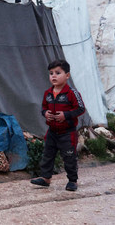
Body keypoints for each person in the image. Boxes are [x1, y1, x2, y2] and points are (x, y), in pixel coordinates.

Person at [31, 59, 85, 191]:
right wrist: (45, 113)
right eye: (51, 73)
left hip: (67, 132)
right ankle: (45, 178)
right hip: (52, 131)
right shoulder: (48, 94)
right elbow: (43, 108)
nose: (53, 76)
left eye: (58, 72)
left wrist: (65, 115)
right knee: (47, 155)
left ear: (67, 75)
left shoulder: (72, 93)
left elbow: (81, 108)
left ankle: (72, 181)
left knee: (69, 156)